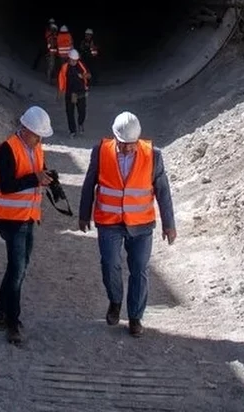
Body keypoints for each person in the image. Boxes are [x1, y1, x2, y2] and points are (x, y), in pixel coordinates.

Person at [78, 111, 176, 338]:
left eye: (132, 145)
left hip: (141, 225)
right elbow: (89, 183)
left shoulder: (153, 155)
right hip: (109, 222)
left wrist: (169, 224)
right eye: (123, 145)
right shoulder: (101, 152)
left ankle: (135, 317)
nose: (128, 149)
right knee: (110, 263)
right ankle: (115, 300)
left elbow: (163, 192)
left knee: (139, 271)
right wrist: (84, 214)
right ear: (115, 138)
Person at [0, 105, 55, 345]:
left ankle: (1, 313)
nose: (40, 140)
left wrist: (45, 176)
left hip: (27, 217)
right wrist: (34, 178)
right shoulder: (7, 149)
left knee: (20, 268)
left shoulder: (35, 148)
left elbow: (36, 171)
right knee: (17, 269)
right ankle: (12, 323)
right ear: (26, 130)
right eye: (38, 135)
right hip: (10, 219)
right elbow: (6, 186)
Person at [57, 48, 91, 136]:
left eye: (75, 60)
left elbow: (89, 75)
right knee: (69, 112)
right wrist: (60, 92)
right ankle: (72, 130)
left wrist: (83, 75)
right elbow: (61, 79)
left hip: (80, 92)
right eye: (72, 60)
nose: (74, 62)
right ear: (69, 59)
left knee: (82, 111)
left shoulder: (81, 65)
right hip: (69, 93)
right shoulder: (65, 67)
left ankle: (80, 123)